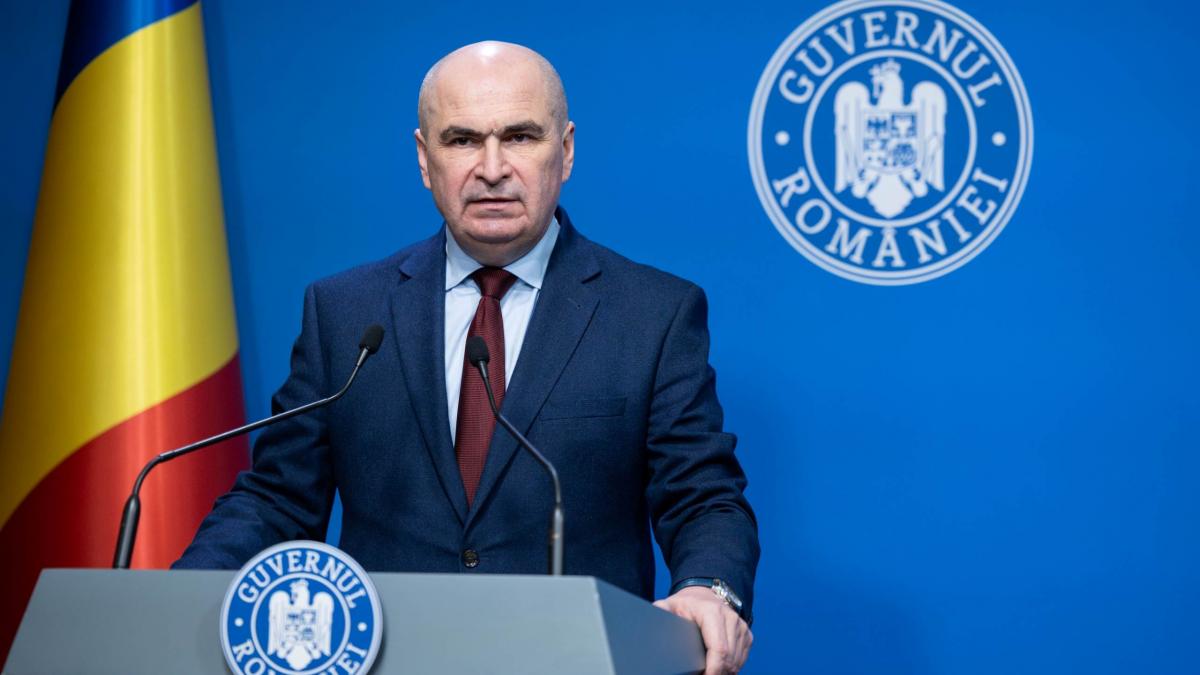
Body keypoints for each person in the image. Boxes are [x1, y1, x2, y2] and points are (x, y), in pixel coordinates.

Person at [176, 41, 759, 674]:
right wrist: (181, 596)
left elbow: (702, 495)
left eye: (520, 136)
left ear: (565, 151)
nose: (492, 168)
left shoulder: (652, 313)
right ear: (425, 159)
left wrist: (710, 587)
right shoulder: (345, 312)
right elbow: (279, 500)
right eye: (462, 140)